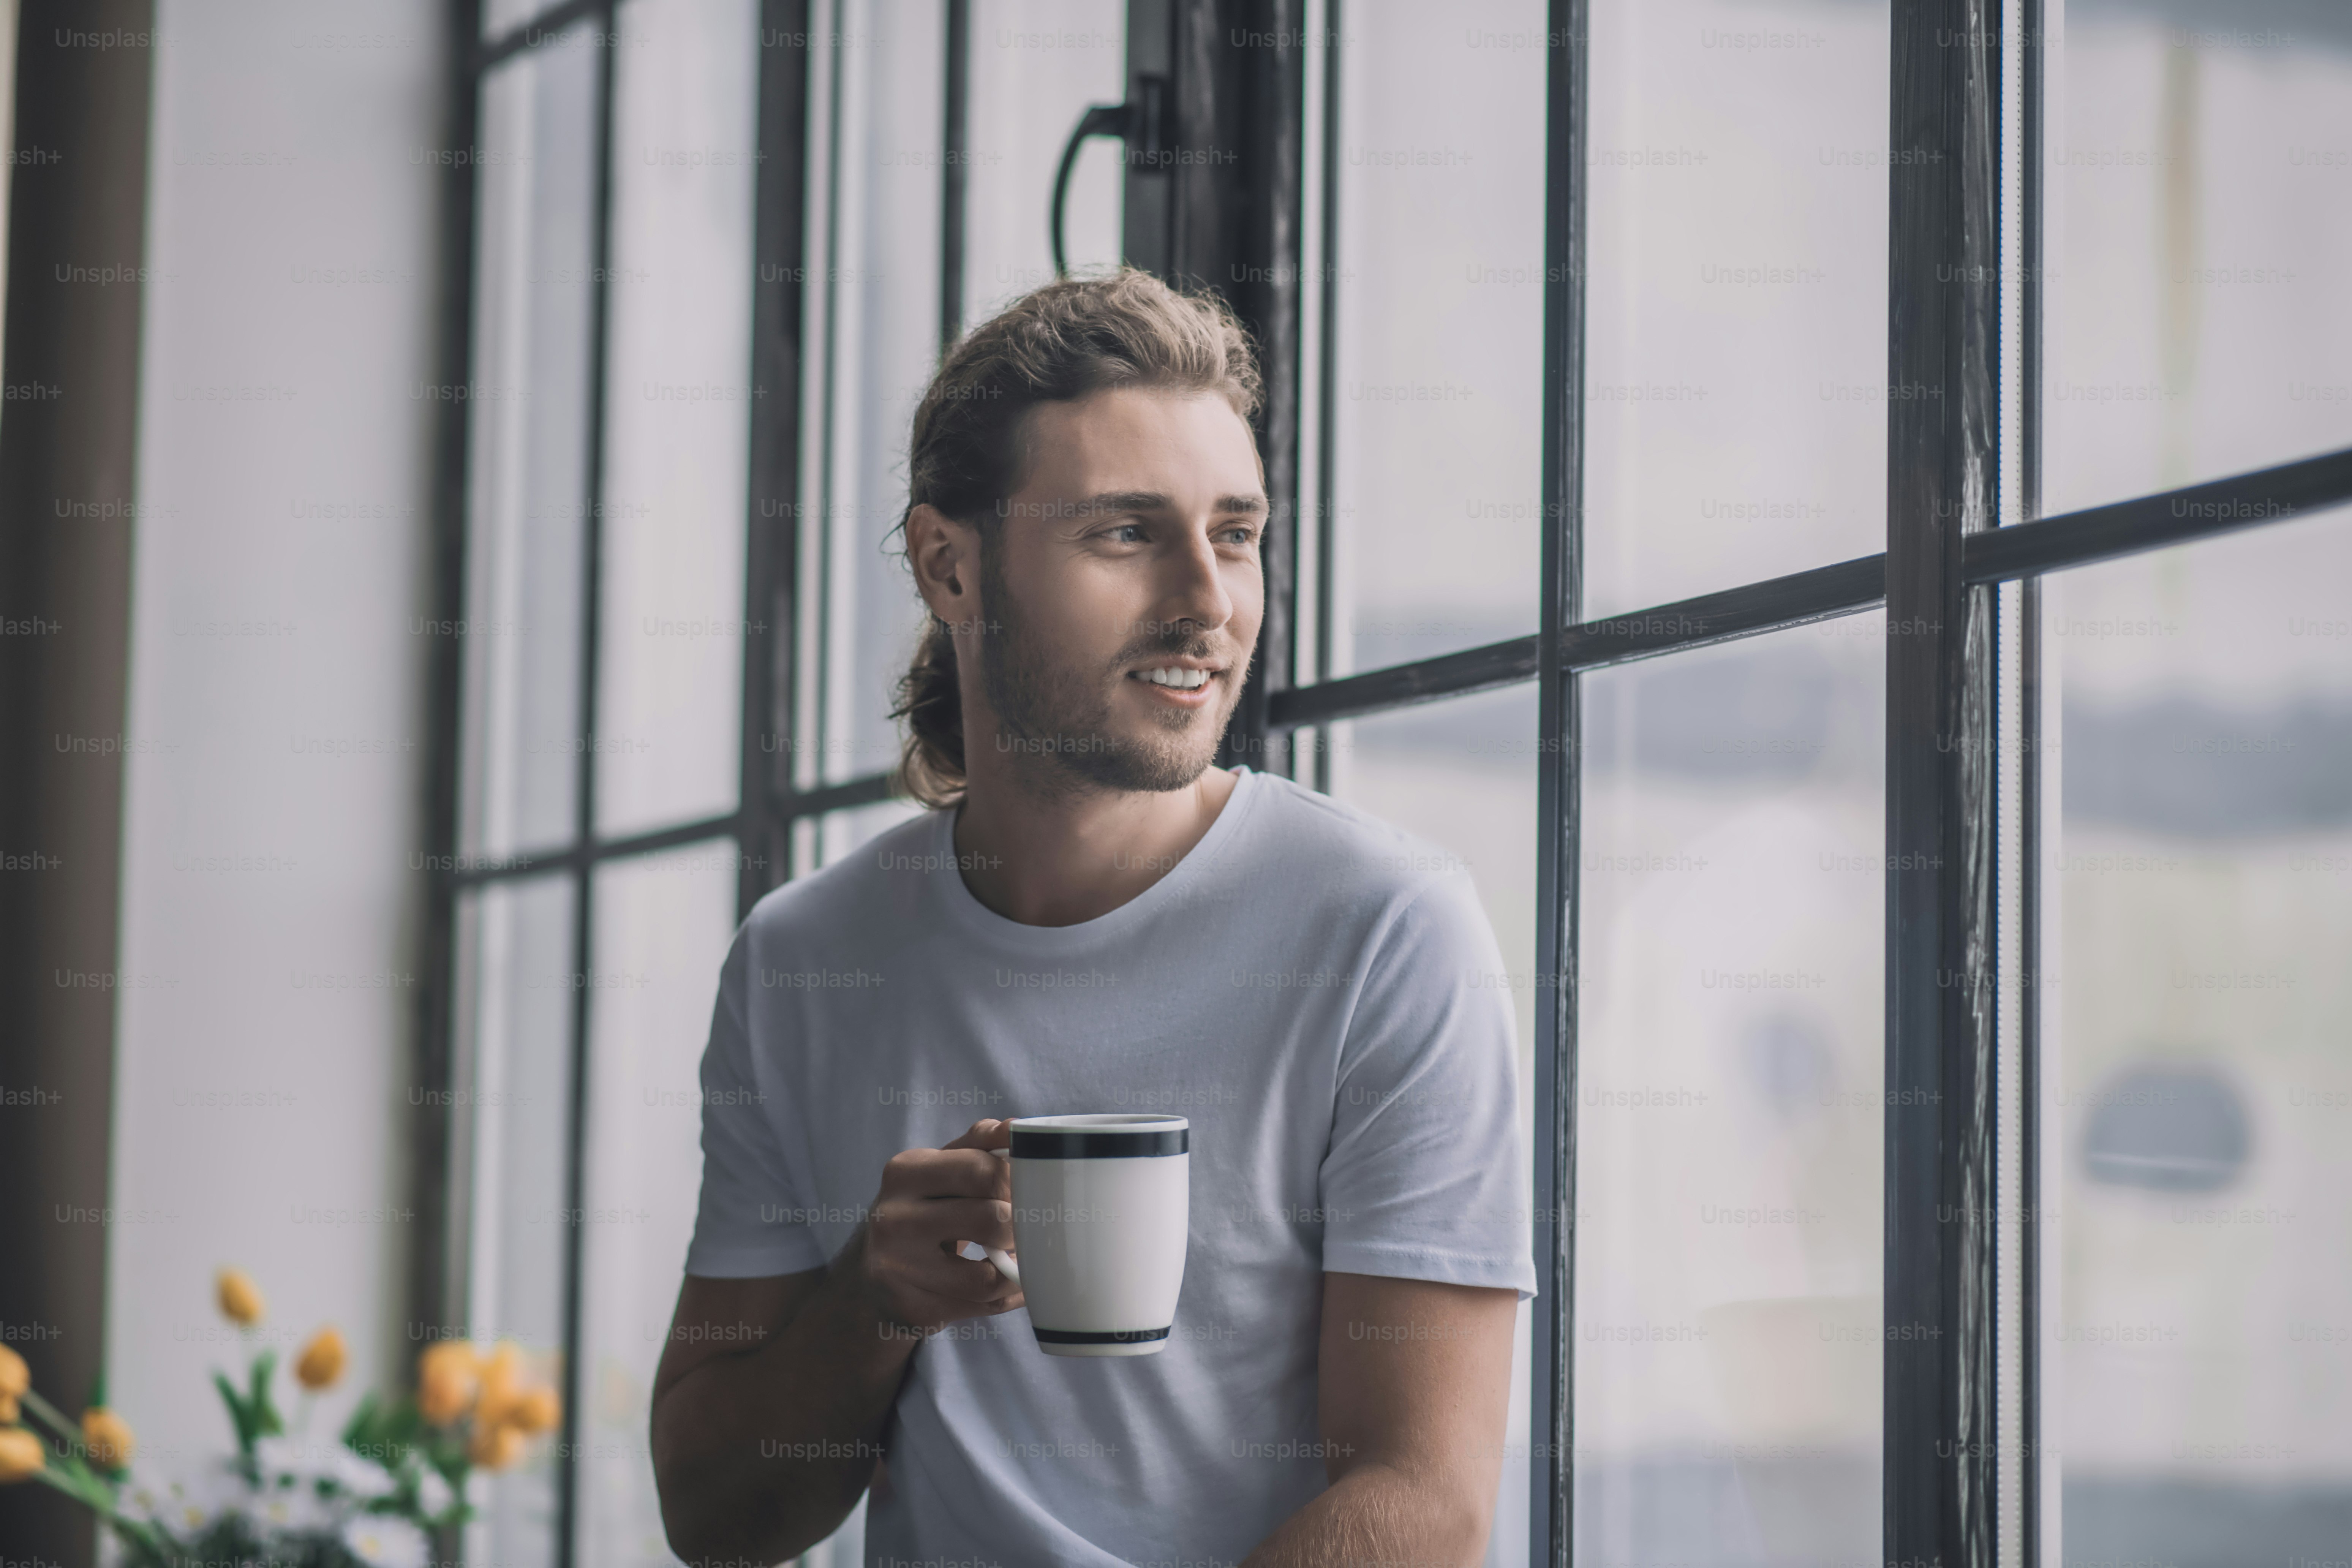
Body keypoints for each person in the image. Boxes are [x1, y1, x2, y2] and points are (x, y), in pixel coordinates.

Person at [649, 270, 1533, 1567]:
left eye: (1235, 533)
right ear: (951, 565)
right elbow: (716, 1519)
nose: (1209, 601)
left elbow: (1424, 1503)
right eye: (1127, 534)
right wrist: (870, 1305)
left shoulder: (1387, 932)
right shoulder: (803, 963)